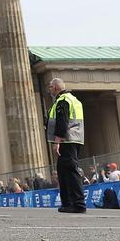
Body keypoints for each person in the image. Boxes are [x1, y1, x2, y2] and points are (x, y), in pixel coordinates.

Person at [47, 77, 86, 213]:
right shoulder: (74, 100)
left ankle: (77, 203)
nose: (49, 89)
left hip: (67, 140)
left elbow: (62, 122)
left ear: (56, 87)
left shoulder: (62, 101)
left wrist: (57, 142)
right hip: (75, 139)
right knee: (64, 171)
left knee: (69, 171)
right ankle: (69, 203)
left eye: (50, 87)